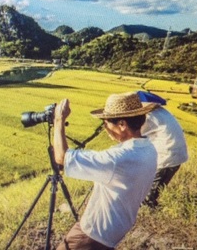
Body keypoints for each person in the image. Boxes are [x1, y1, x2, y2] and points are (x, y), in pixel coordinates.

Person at [53, 92, 158, 250]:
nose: (105, 128)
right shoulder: (149, 148)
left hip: (92, 234)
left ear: (122, 124)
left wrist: (58, 121)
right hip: (115, 231)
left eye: (106, 122)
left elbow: (61, 158)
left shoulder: (118, 158)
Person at [137, 91, 189, 208]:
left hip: (167, 155)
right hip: (175, 154)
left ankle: (148, 208)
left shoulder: (149, 116)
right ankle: (148, 204)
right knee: (156, 185)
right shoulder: (162, 112)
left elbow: (138, 133)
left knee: (152, 189)